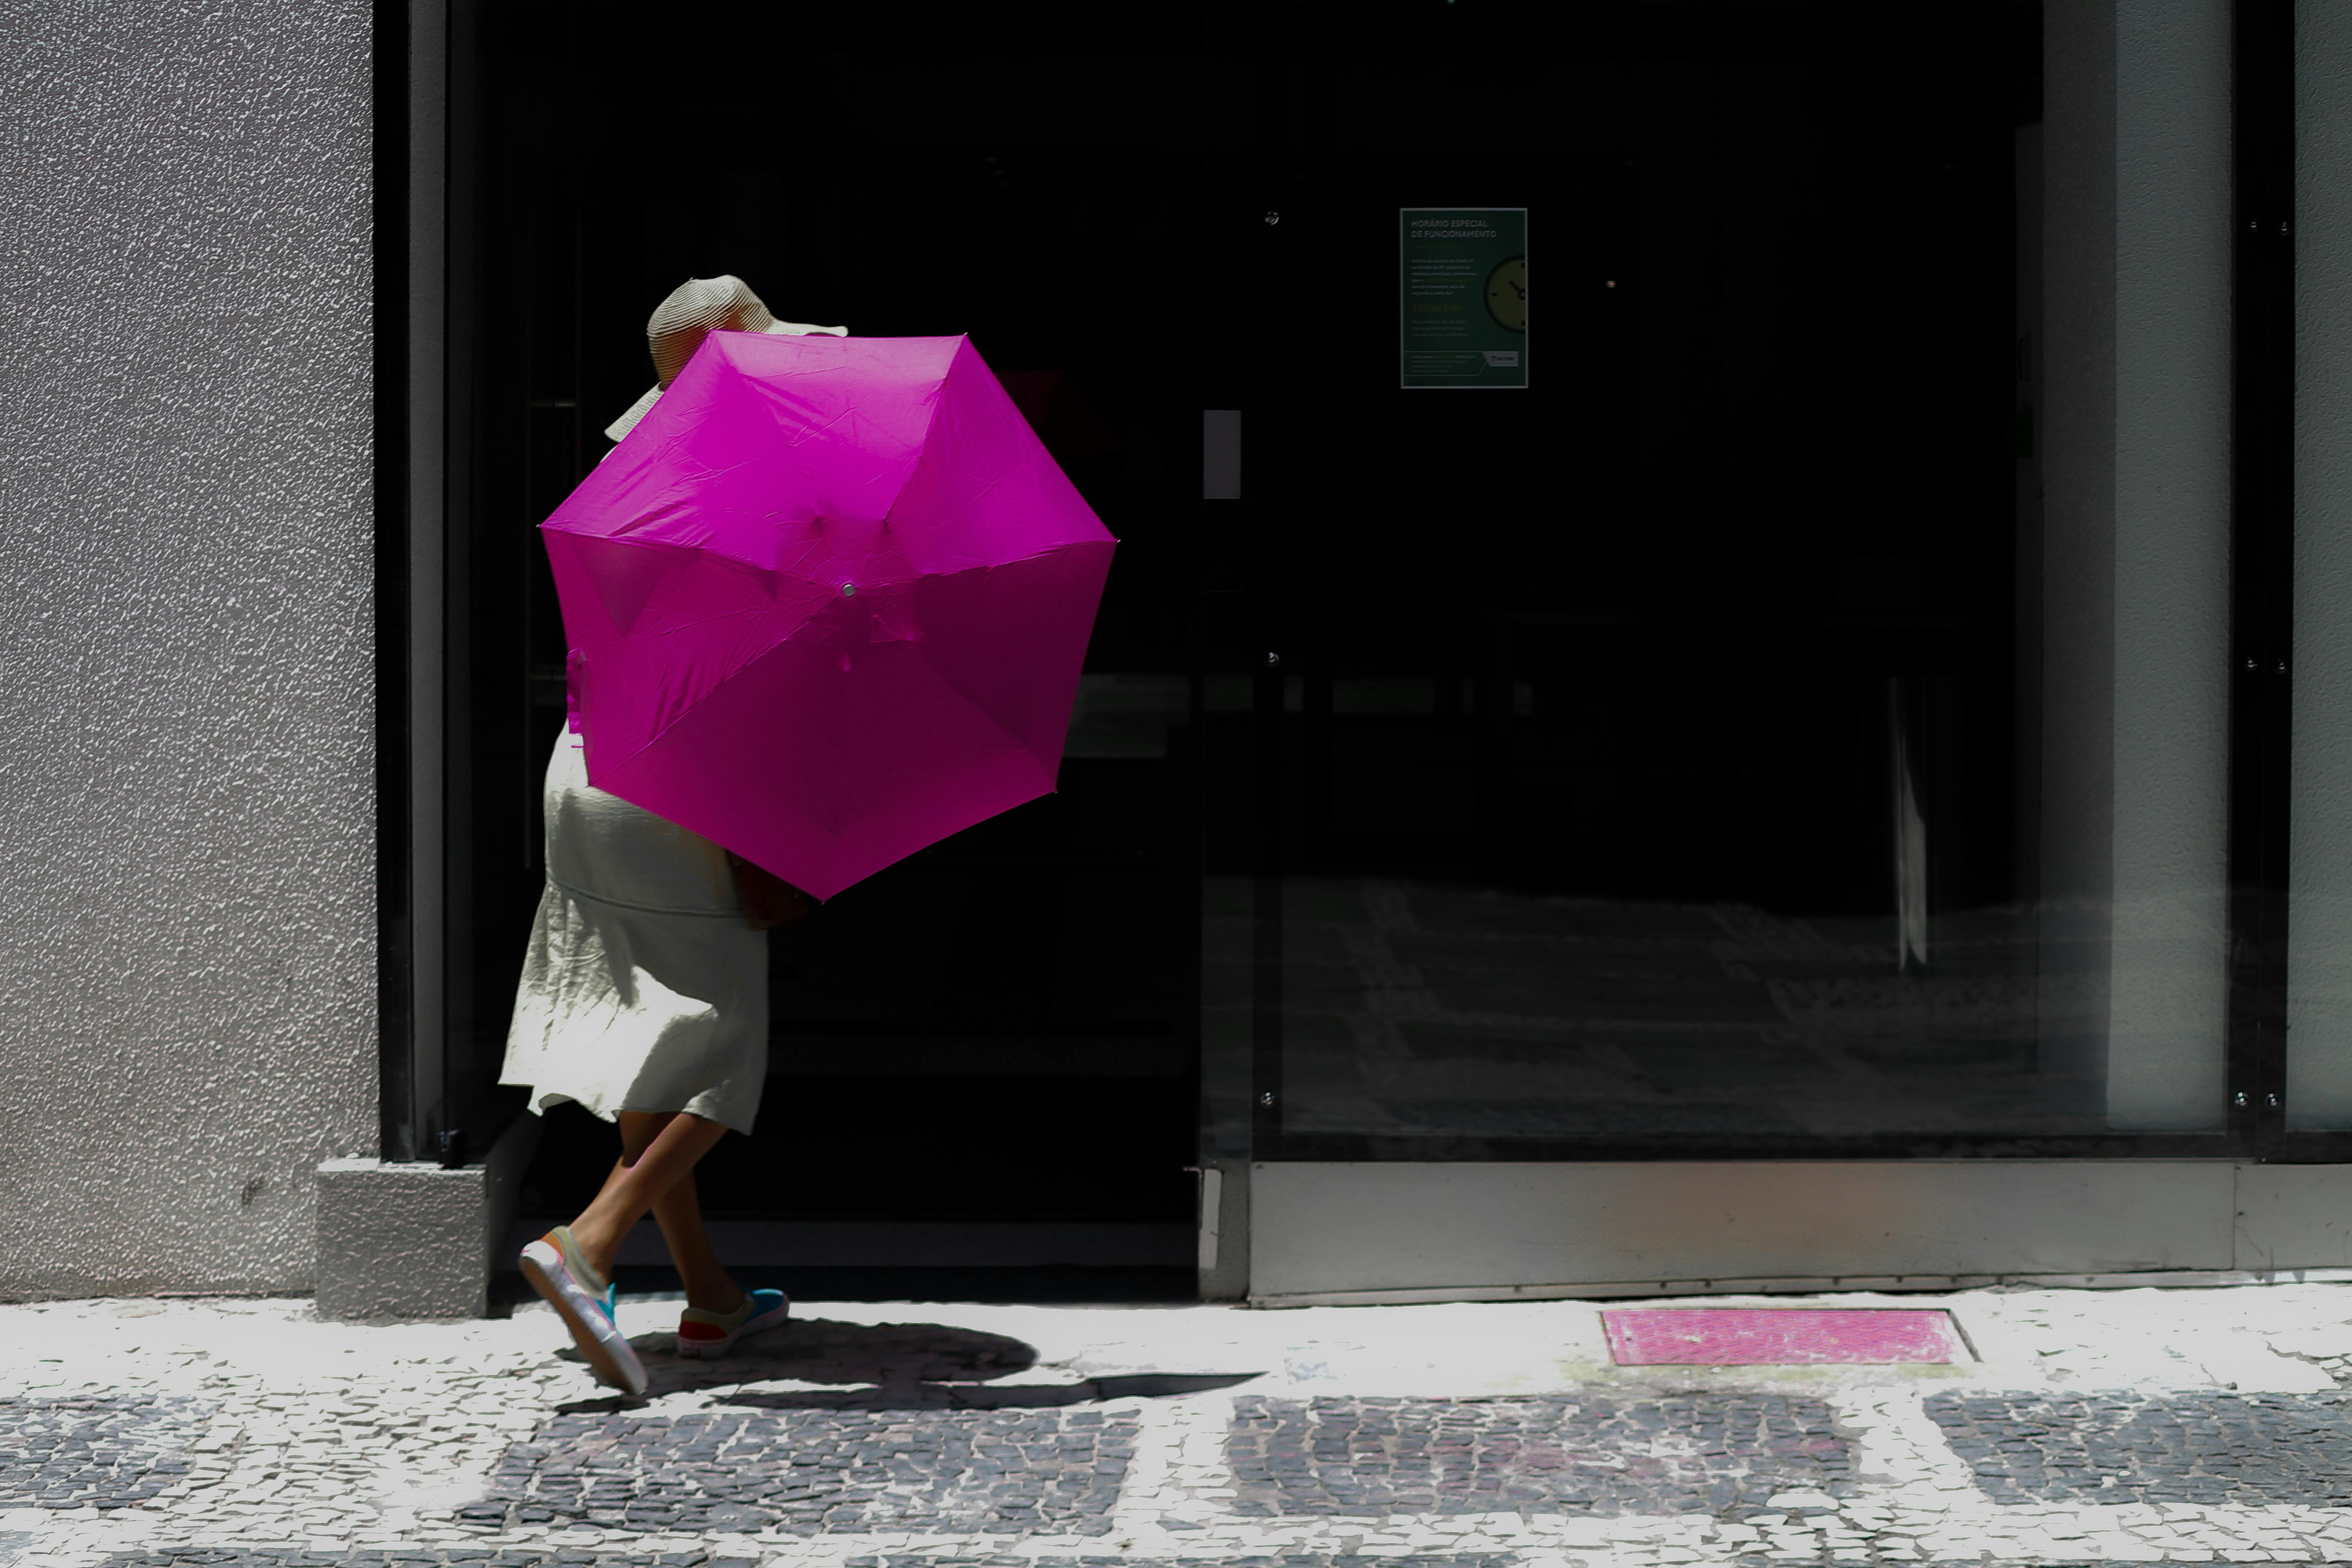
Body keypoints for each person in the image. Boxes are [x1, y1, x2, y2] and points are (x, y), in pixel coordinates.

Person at [502, 276, 847, 1396]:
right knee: (721, 1038)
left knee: (661, 1034)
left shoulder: (631, 483)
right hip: (677, 787)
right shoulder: (749, 497)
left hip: (583, 773)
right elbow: (754, 666)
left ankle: (708, 1298)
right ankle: (590, 1242)